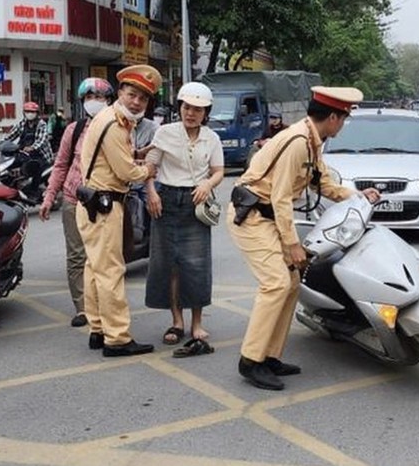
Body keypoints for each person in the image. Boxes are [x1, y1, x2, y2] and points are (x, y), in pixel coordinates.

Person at [227, 86, 382, 391]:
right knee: (277, 284)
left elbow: (322, 182)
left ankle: (269, 356)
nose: (343, 125)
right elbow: (281, 197)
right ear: (333, 117)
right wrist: (292, 244)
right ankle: (250, 361)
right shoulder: (297, 142)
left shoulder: (312, 141)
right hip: (252, 217)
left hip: (268, 217)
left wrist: (357, 196)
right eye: (344, 119)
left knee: (292, 284)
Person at [75, 64, 160, 357]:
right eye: (132, 94)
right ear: (120, 92)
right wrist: (147, 168)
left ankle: (98, 329)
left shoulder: (111, 119)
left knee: (94, 269)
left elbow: (112, 158)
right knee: (111, 271)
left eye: (143, 98)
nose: (137, 101)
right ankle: (118, 338)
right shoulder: (114, 124)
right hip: (105, 205)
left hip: (91, 204)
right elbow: (125, 172)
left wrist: (135, 154)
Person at [144, 82, 224, 356]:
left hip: (195, 202)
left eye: (198, 109)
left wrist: (207, 185)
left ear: (206, 113)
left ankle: (196, 323)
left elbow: (218, 171)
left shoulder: (211, 138)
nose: (191, 113)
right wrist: (152, 193)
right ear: (179, 107)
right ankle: (176, 322)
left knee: (196, 265)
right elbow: (149, 167)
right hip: (165, 201)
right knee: (169, 265)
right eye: (187, 107)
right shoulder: (164, 132)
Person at [39, 78, 114, 328]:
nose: (93, 102)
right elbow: (61, 165)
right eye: (89, 98)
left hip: (105, 201)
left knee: (102, 257)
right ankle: (83, 308)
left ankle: (103, 305)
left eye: (99, 97)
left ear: (108, 101)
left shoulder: (116, 127)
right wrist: (50, 197)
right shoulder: (74, 129)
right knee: (76, 256)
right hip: (74, 199)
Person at [3, 101, 53, 200]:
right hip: (23, 154)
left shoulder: (41, 124)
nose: (30, 114)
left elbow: (41, 141)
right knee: (10, 164)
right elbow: (10, 136)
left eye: (32, 111)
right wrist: (1, 144)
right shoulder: (22, 124)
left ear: (37, 113)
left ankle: (33, 191)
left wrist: (32, 147)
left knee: (35, 167)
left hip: (39, 155)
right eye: (27, 111)